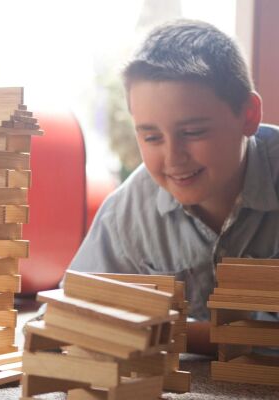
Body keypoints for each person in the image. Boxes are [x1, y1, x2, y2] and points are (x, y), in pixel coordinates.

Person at [66, 19, 276, 354]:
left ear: (248, 115)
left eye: (193, 132)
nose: (173, 157)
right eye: (151, 137)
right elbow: (65, 318)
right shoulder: (129, 211)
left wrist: (173, 332)